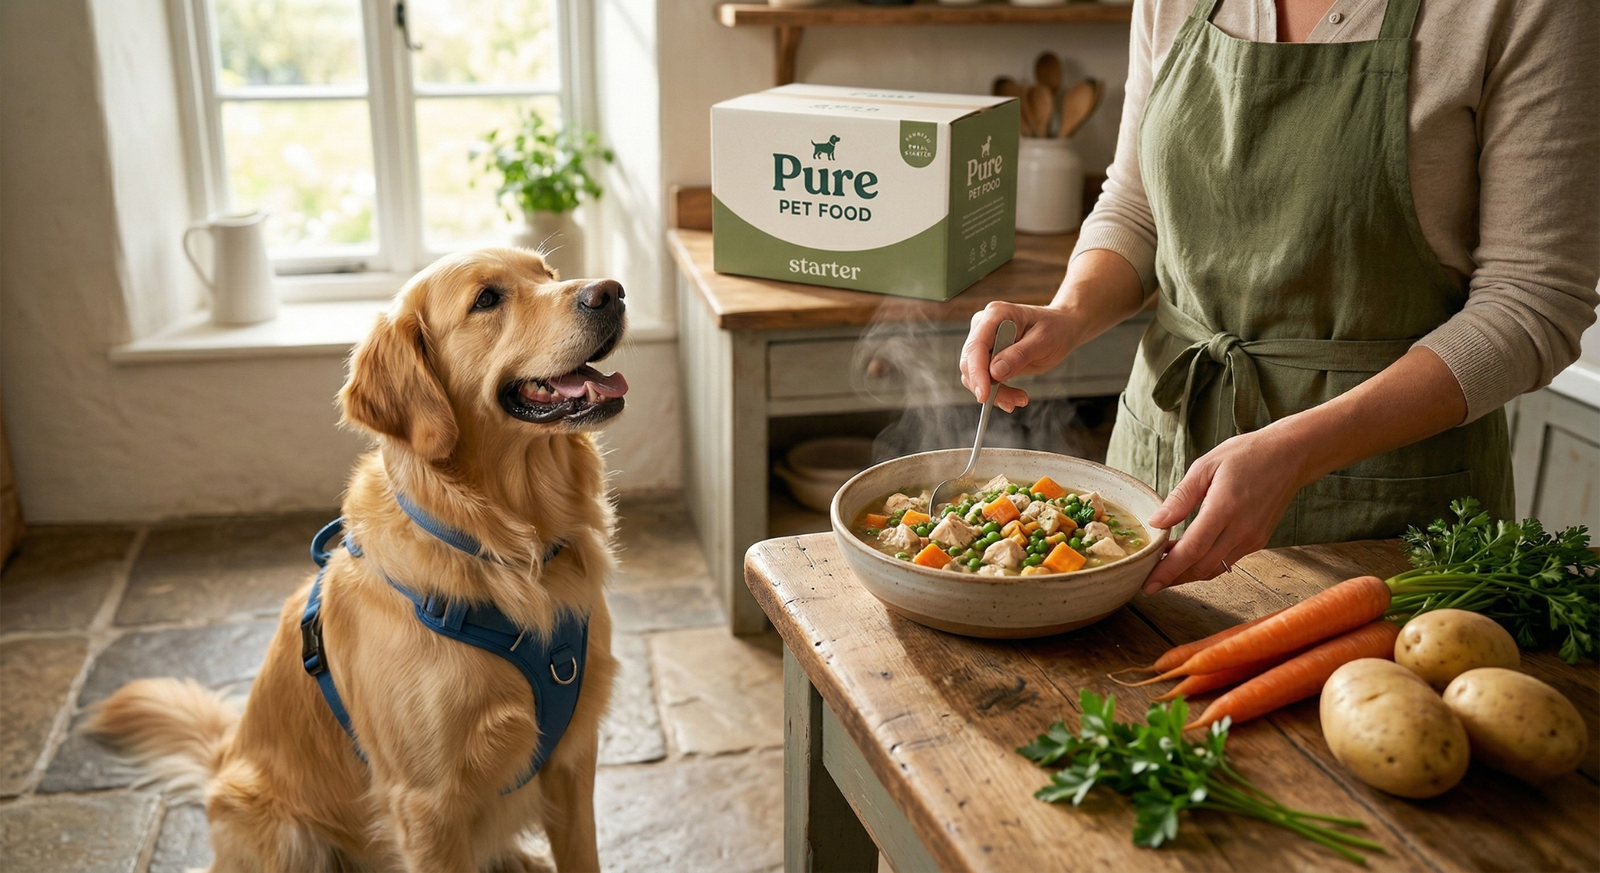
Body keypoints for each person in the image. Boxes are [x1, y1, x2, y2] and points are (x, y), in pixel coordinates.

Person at [959, 0, 1598, 595]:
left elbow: (1532, 299)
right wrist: (1069, 314)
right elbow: (1138, 203)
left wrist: (1295, 453)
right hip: (1162, 461)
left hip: (1389, 508)